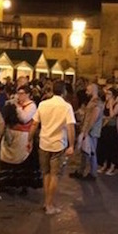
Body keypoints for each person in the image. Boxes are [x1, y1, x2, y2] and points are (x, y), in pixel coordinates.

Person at [29, 81, 76, 215]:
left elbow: (34, 124)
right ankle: (49, 204)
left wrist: (29, 139)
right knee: (55, 175)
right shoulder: (66, 107)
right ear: (64, 92)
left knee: (46, 174)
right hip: (58, 144)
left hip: (44, 142)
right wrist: (72, 145)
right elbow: (70, 127)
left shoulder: (43, 104)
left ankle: (46, 201)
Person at [0, 84, 40, 194]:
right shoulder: (14, 103)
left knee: (22, 162)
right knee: (8, 160)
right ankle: (7, 183)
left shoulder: (31, 106)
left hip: (23, 136)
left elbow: (25, 118)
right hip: (12, 135)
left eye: (22, 94)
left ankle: (22, 185)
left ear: (28, 95)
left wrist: (17, 107)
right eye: (18, 93)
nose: (19, 96)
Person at [70, 84, 103, 180]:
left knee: (91, 152)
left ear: (93, 90)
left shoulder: (97, 103)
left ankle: (92, 173)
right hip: (87, 130)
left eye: (88, 90)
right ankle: (82, 171)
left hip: (91, 131)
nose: (86, 92)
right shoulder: (92, 101)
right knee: (85, 151)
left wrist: (87, 130)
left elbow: (93, 118)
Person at [97, 88, 118, 175]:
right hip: (104, 127)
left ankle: (112, 166)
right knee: (104, 147)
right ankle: (105, 164)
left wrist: (110, 104)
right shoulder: (104, 103)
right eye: (107, 94)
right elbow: (102, 115)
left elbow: (112, 115)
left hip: (112, 128)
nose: (107, 96)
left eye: (109, 94)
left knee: (112, 148)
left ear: (113, 95)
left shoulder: (117, 104)